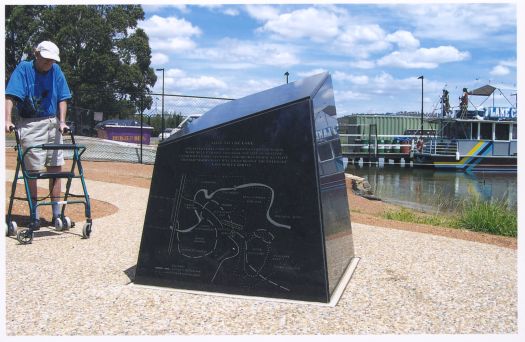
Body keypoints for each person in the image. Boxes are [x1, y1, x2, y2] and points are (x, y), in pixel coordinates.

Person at [5, 40, 72, 230]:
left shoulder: (56, 71)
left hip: (52, 123)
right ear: (37, 54)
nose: (49, 63)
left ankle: (56, 215)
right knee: (33, 172)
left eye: (52, 60)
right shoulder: (24, 69)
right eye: (46, 60)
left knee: (56, 169)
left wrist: (62, 122)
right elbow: (10, 96)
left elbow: (63, 97)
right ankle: (34, 215)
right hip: (30, 124)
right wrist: (7, 119)